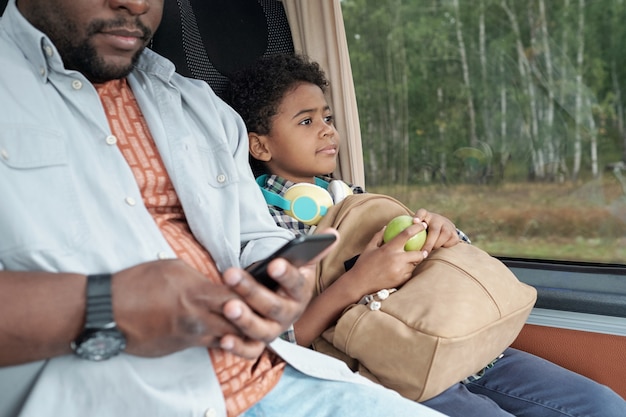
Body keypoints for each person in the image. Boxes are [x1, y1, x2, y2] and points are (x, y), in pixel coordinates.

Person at [0, 1, 454, 417]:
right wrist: (106, 305)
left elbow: (253, 239)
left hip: (273, 379)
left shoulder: (199, 107)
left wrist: (281, 285)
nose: (137, 4)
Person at [224, 52, 626, 417]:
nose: (327, 130)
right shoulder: (265, 225)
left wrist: (443, 235)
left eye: (327, 118)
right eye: (306, 121)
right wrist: (359, 280)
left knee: (604, 405)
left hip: (464, 348)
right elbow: (281, 343)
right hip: (391, 368)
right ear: (259, 145)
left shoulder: (351, 196)